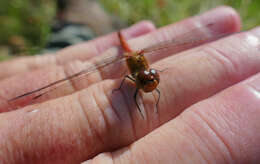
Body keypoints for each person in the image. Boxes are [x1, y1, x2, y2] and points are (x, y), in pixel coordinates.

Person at [0, 6, 260, 163]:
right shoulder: (132, 76)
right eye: (147, 79)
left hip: (133, 54)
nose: (151, 81)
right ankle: (92, 29)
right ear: (138, 77)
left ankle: (82, 25)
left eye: (151, 78)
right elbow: (125, 81)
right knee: (106, 52)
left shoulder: (148, 74)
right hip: (123, 52)